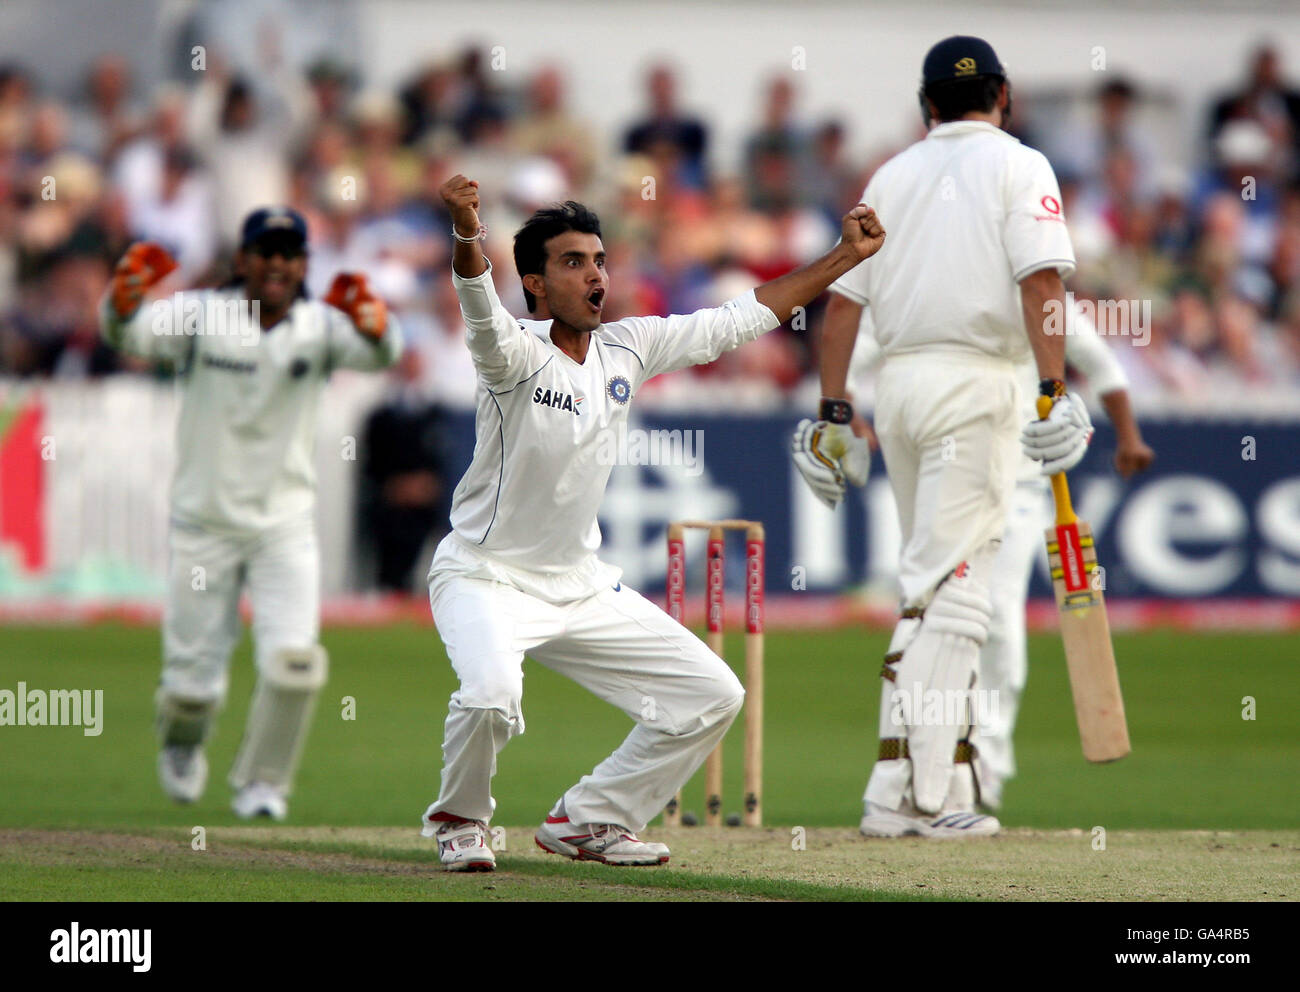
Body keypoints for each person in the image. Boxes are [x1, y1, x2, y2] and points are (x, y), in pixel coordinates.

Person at [424, 174, 884, 871]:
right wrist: (465, 230)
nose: (596, 275)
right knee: (491, 697)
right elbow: (477, 305)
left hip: (578, 586)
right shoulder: (513, 353)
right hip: (485, 577)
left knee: (712, 695)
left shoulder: (628, 348)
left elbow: (737, 320)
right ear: (537, 285)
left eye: (601, 260)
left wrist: (842, 257)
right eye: (574, 263)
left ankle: (592, 818)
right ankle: (461, 820)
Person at [791, 36, 1094, 838]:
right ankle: (923, 799)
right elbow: (1041, 281)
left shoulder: (890, 176)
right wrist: (1054, 389)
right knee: (957, 592)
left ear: (927, 104)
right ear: (1004, 94)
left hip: (902, 390)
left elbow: (844, 303)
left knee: (930, 583)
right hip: (979, 384)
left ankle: (913, 786)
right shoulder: (1020, 164)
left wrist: (832, 412)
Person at [98, 206, 403, 820]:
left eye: (290, 254)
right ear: (243, 260)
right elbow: (128, 336)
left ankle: (263, 782)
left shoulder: (319, 326)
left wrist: (378, 325)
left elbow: (379, 356)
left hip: (282, 528)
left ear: (303, 265)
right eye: (266, 252)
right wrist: (122, 300)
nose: (277, 265)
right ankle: (183, 746)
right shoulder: (201, 315)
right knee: (189, 687)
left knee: (294, 665)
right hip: (203, 524)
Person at [842, 307, 1155, 811]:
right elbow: (858, 350)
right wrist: (844, 403)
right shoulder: (935, 279)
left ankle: (987, 756)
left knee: (997, 618)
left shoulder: (1040, 292)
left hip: (1021, 487)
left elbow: (1102, 367)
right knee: (932, 613)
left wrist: (1129, 435)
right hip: (944, 479)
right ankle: (919, 758)